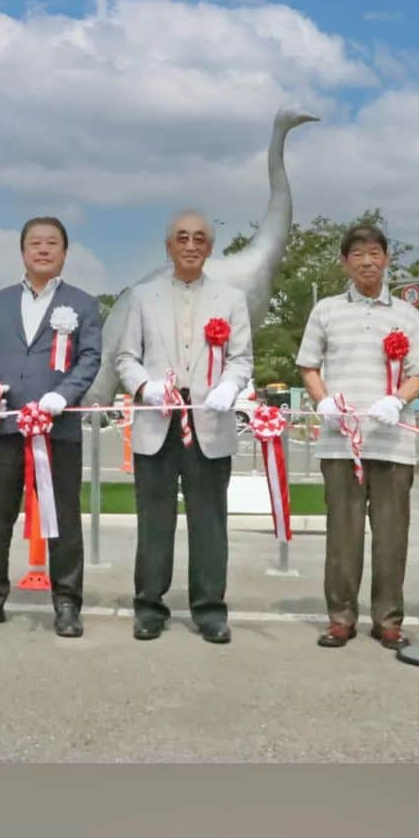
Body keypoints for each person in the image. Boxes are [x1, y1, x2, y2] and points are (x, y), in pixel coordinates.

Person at [0, 216, 102, 637]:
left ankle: (67, 602)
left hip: (57, 430)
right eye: (35, 243)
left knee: (63, 518)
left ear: (64, 252)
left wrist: (63, 396)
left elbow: (90, 358)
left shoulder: (82, 303)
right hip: (5, 426)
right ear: (22, 251)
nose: (43, 249)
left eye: (52, 243)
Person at [116, 209, 253, 644]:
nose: (190, 245)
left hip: (209, 420)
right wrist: (145, 387)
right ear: (168, 246)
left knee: (208, 521)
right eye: (182, 238)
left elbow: (241, 358)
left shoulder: (231, 298)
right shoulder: (143, 296)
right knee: (154, 520)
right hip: (158, 418)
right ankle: (149, 606)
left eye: (199, 239)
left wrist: (228, 388)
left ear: (210, 248)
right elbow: (125, 358)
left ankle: (210, 608)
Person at [297, 224, 419, 650]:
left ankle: (388, 620)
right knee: (344, 533)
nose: (367, 261)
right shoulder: (325, 309)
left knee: (392, 535)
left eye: (374, 252)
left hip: (392, 441)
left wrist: (397, 400)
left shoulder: (407, 314)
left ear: (387, 259)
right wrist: (323, 403)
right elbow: (308, 366)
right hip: (341, 440)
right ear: (344, 262)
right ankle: (340, 617)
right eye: (357, 254)